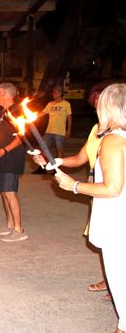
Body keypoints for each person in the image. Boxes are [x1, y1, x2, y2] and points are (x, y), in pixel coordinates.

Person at [51, 83, 126, 333]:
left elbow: (113, 187)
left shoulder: (113, 141)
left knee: (120, 278)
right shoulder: (117, 136)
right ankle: (122, 330)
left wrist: (74, 186)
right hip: (119, 213)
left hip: (118, 216)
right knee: (119, 277)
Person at [33, 85, 110, 301]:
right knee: (103, 238)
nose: (98, 109)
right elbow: (79, 158)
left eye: (101, 104)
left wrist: (75, 186)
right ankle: (111, 278)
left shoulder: (119, 135)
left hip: (114, 192)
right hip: (98, 191)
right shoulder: (97, 129)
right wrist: (55, 161)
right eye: (95, 104)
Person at [0, 82, 27, 242]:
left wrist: (4, 150)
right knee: (4, 192)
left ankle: (19, 230)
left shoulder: (17, 111)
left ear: (6, 94)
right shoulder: (2, 113)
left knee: (10, 192)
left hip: (10, 158)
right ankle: (10, 224)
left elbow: (21, 137)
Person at [33, 85, 72, 174]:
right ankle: (42, 167)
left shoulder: (66, 104)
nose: (53, 94)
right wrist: (32, 116)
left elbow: (69, 117)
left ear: (60, 93)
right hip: (49, 130)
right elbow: (41, 114)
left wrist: (68, 130)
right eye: (53, 92)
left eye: (55, 92)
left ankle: (57, 169)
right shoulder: (50, 104)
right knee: (44, 149)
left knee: (59, 149)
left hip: (60, 131)